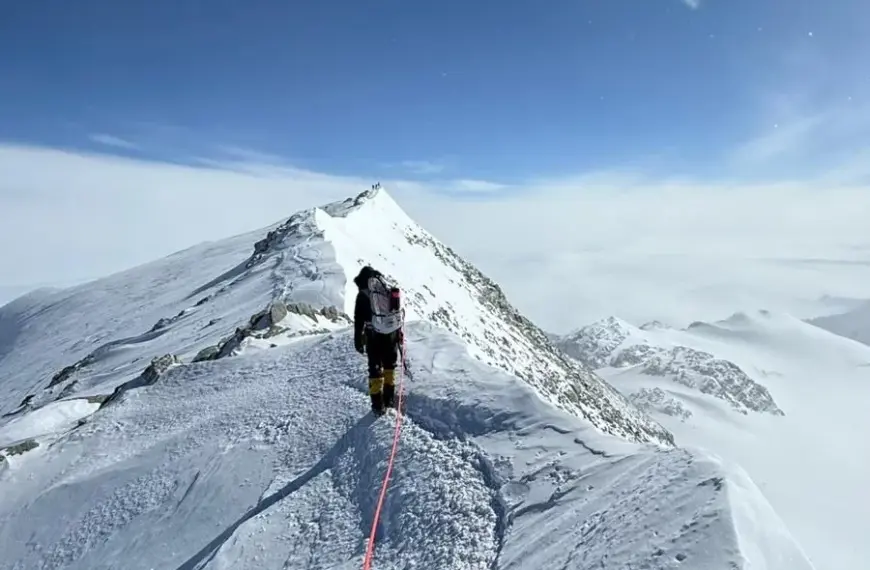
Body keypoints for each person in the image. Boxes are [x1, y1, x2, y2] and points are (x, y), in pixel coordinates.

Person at [353, 265, 403, 414]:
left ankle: (377, 406)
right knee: (390, 367)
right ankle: (389, 401)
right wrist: (398, 333)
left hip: (373, 336)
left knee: (375, 371)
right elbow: (395, 313)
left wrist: (358, 340)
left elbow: (358, 320)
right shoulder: (387, 292)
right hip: (391, 335)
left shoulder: (362, 296)